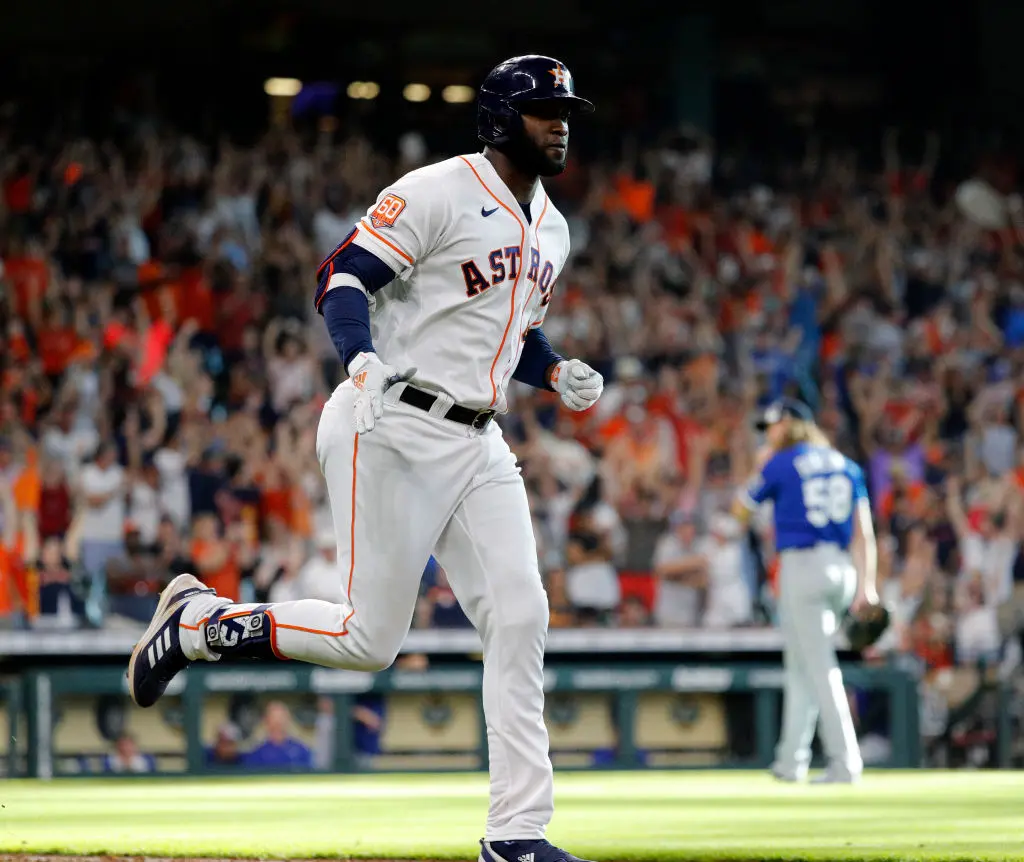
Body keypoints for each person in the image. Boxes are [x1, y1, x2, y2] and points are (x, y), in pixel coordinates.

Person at [129, 55, 601, 862]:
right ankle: (201, 624)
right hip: (388, 421)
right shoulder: (436, 190)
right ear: (497, 118)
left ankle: (517, 834)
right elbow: (343, 275)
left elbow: (505, 331)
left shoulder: (552, 225)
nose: (561, 122)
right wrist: (357, 357)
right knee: (368, 639)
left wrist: (551, 368)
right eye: (544, 109)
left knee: (520, 616)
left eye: (566, 109)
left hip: (479, 440)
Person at [732, 397, 877, 784]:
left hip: (802, 567)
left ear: (791, 424)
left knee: (819, 667)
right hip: (841, 569)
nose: (771, 434)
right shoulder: (846, 464)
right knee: (801, 665)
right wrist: (868, 585)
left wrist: (757, 470)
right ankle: (790, 761)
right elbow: (864, 535)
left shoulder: (782, 462)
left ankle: (845, 762)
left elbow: (741, 511)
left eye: (774, 426)